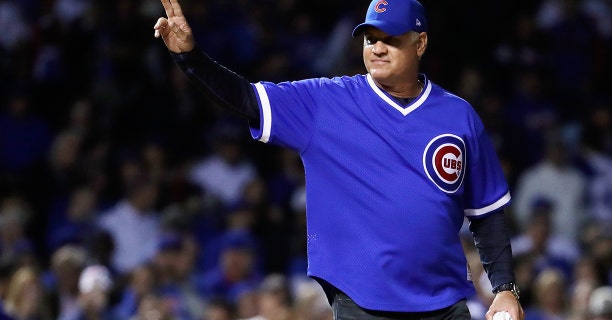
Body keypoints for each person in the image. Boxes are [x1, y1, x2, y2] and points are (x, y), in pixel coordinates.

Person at [153, 0, 524, 319]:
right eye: (370, 39)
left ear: (420, 43)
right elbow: (246, 99)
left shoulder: (458, 116)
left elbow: (487, 214)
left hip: (445, 302)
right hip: (362, 302)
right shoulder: (326, 102)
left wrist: (505, 287)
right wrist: (190, 59)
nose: (377, 48)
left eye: (390, 40)